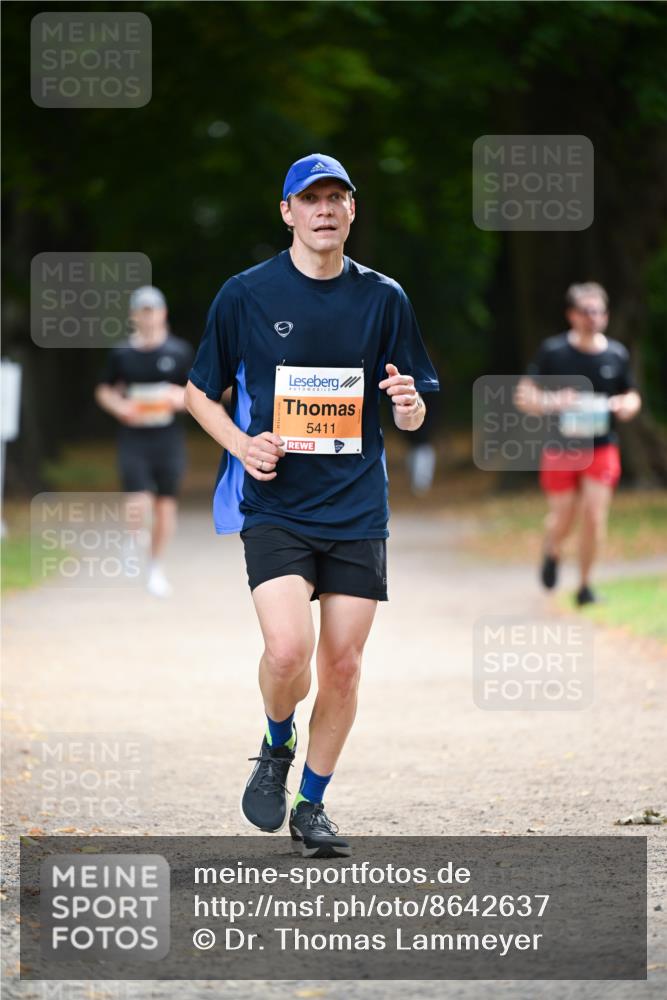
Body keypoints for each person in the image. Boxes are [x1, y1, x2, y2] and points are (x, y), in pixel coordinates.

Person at [185, 153, 439, 857]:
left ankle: (311, 804)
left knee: (344, 667)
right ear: (287, 212)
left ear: (352, 211)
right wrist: (241, 444)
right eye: (310, 198)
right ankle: (275, 740)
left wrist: (411, 408)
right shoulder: (245, 294)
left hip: (357, 505)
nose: (324, 209)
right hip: (277, 503)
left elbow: (411, 411)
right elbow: (198, 392)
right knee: (287, 649)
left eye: (337, 198)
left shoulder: (383, 297)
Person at [515, 282, 641, 606]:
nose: (594, 317)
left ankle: (585, 587)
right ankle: (552, 548)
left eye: (599, 311)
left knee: (594, 516)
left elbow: (631, 395)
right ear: (572, 315)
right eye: (586, 311)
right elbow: (525, 397)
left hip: (602, 446)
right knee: (564, 516)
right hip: (562, 447)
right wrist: (553, 401)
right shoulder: (554, 352)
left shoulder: (616, 354)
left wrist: (627, 405)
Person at [95, 285, 194, 598]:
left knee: (165, 506)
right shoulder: (122, 353)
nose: (148, 317)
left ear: (163, 313)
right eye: (142, 311)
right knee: (138, 500)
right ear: (134, 316)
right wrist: (119, 406)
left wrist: (179, 398)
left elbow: (196, 391)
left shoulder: (178, 352)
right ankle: (132, 536)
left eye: (153, 311)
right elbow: (104, 390)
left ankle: (155, 568)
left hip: (168, 439)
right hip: (134, 438)